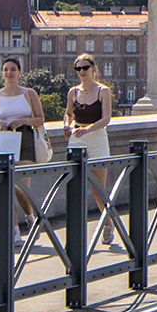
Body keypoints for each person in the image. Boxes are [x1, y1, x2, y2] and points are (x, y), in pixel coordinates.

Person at [0, 57, 47, 249]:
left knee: (20, 187)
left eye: (12, 69)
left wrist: (24, 121)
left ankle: (30, 218)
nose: (9, 73)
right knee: (7, 188)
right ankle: (15, 233)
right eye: (5, 69)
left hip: (25, 140)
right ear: (2, 73)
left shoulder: (29, 94)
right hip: (5, 141)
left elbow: (40, 119)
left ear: (19, 72)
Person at [66, 54, 117, 247]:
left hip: (96, 137)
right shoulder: (73, 92)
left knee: (98, 188)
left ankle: (107, 223)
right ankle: (75, 232)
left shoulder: (103, 91)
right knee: (76, 186)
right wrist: (67, 125)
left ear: (93, 68)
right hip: (77, 137)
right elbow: (68, 113)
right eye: (78, 69)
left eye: (85, 68)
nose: (82, 72)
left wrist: (88, 129)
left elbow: (106, 119)